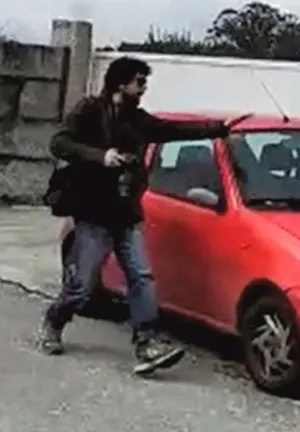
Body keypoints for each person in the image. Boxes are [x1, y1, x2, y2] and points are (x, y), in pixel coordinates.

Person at [37, 56, 230, 375]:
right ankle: (54, 320)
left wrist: (219, 129)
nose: (143, 89)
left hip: (127, 214)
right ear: (120, 83)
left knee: (141, 277)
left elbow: (172, 130)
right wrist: (101, 156)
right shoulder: (90, 111)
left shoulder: (139, 120)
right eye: (139, 82)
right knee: (82, 287)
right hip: (94, 214)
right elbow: (60, 143)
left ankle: (146, 343)